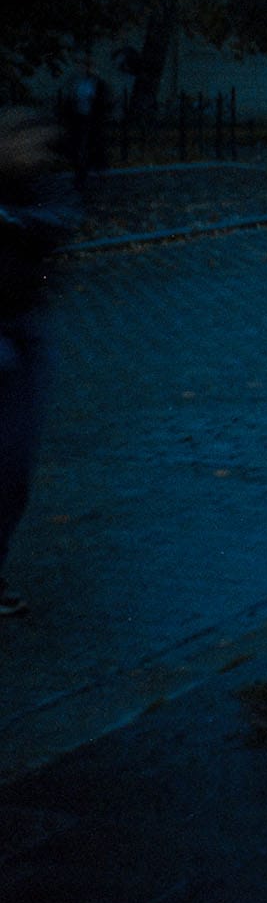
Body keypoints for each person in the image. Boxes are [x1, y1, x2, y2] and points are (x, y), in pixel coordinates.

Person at [0, 110, 71, 618]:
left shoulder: (43, 187)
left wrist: (12, 221)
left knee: (15, 465)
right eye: (27, 141)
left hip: (25, 329)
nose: (36, 152)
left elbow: (61, 220)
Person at [67, 57, 109, 193]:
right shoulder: (77, 82)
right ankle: (82, 173)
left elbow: (103, 100)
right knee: (80, 145)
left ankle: (93, 170)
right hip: (79, 117)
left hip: (92, 118)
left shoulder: (98, 83)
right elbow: (73, 98)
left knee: (91, 145)